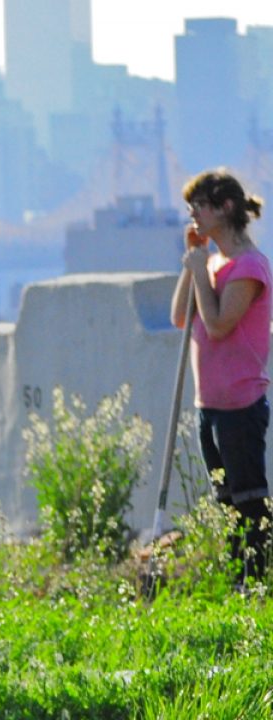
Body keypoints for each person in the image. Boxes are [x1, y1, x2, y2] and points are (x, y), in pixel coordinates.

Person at [172, 169, 270, 584]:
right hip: (208, 405)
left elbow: (216, 325)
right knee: (225, 500)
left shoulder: (248, 267)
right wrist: (192, 263)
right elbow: (181, 317)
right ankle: (236, 582)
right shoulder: (212, 263)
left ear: (225, 208)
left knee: (249, 499)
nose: (192, 213)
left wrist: (200, 271)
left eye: (200, 205)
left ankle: (257, 580)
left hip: (239, 405)